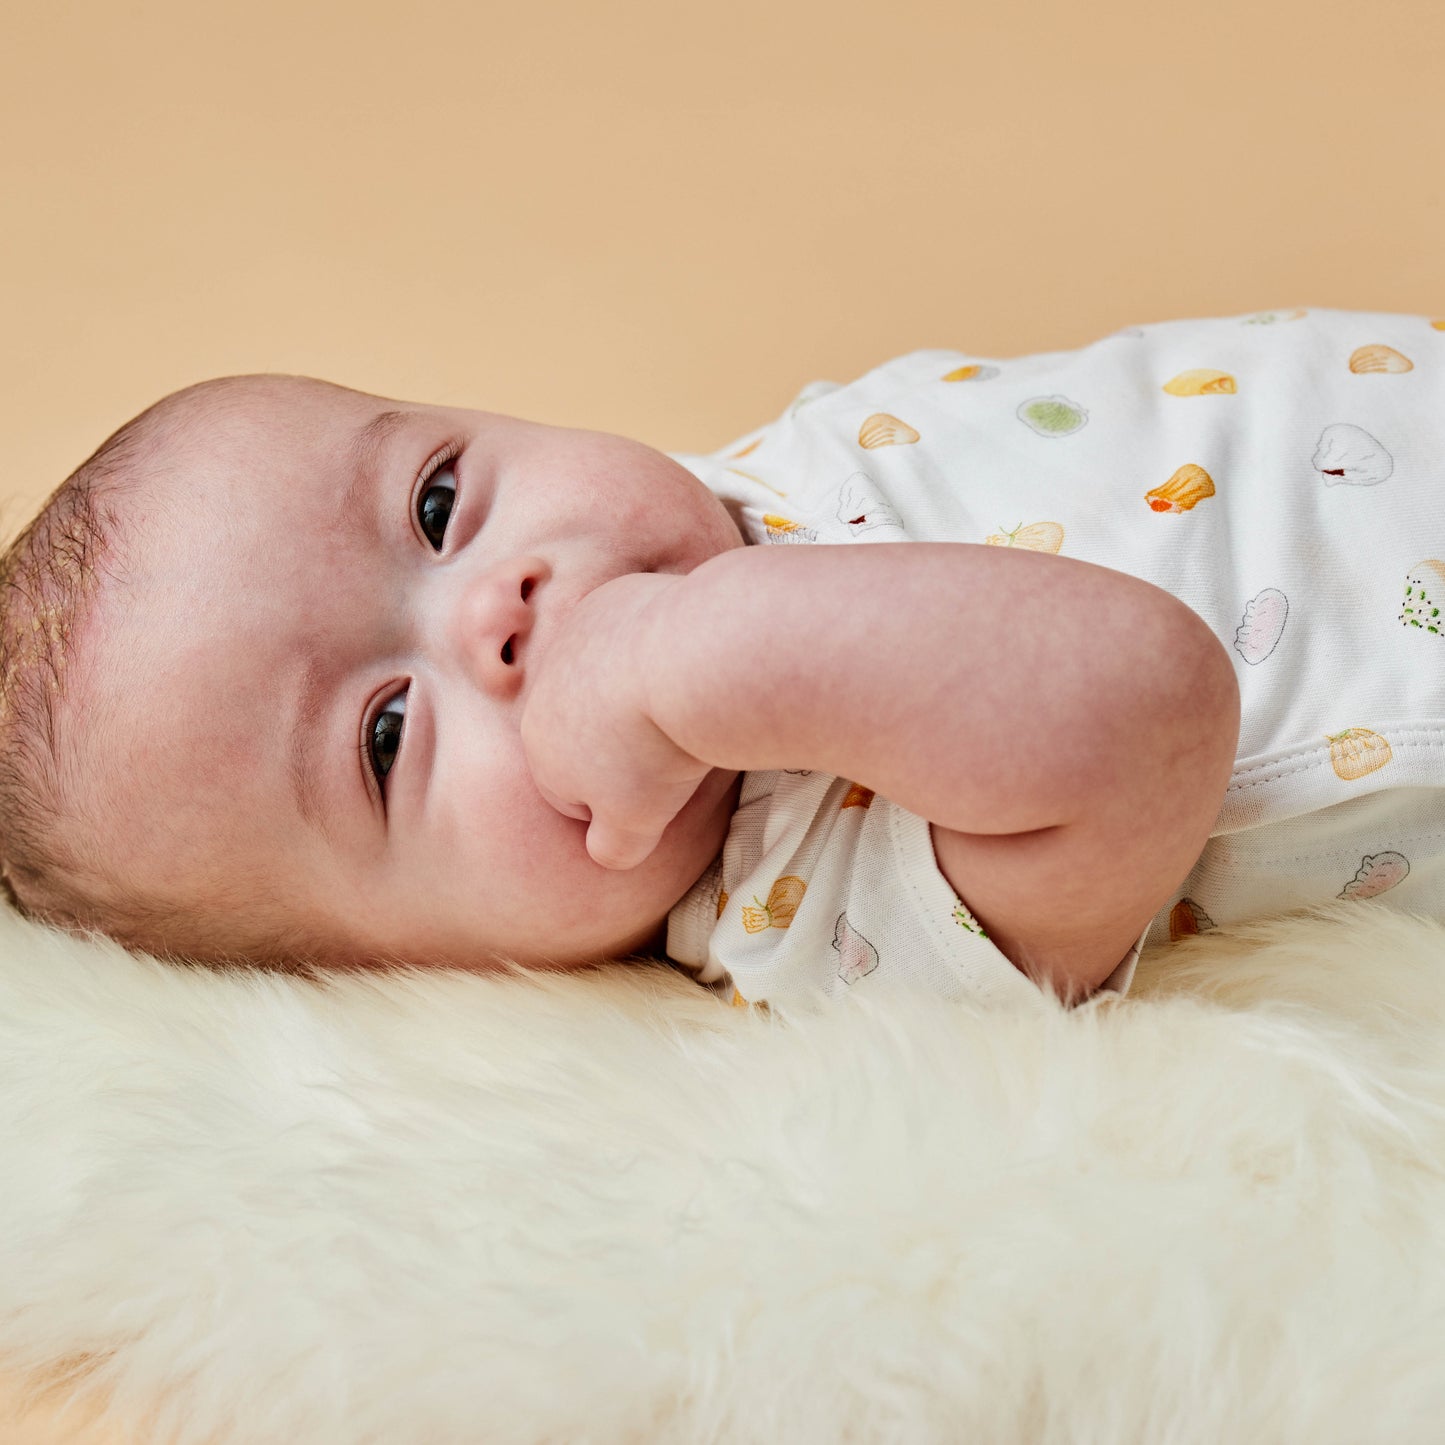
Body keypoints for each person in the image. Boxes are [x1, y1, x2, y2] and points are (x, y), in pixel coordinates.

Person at [1, 307, 1440, 1014]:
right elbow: (1144, 702)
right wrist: (673, 659)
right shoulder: (813, 907)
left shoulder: (753, 477)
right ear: (421, 971)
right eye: (385, 736)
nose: (494, 611)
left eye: (439, 503)